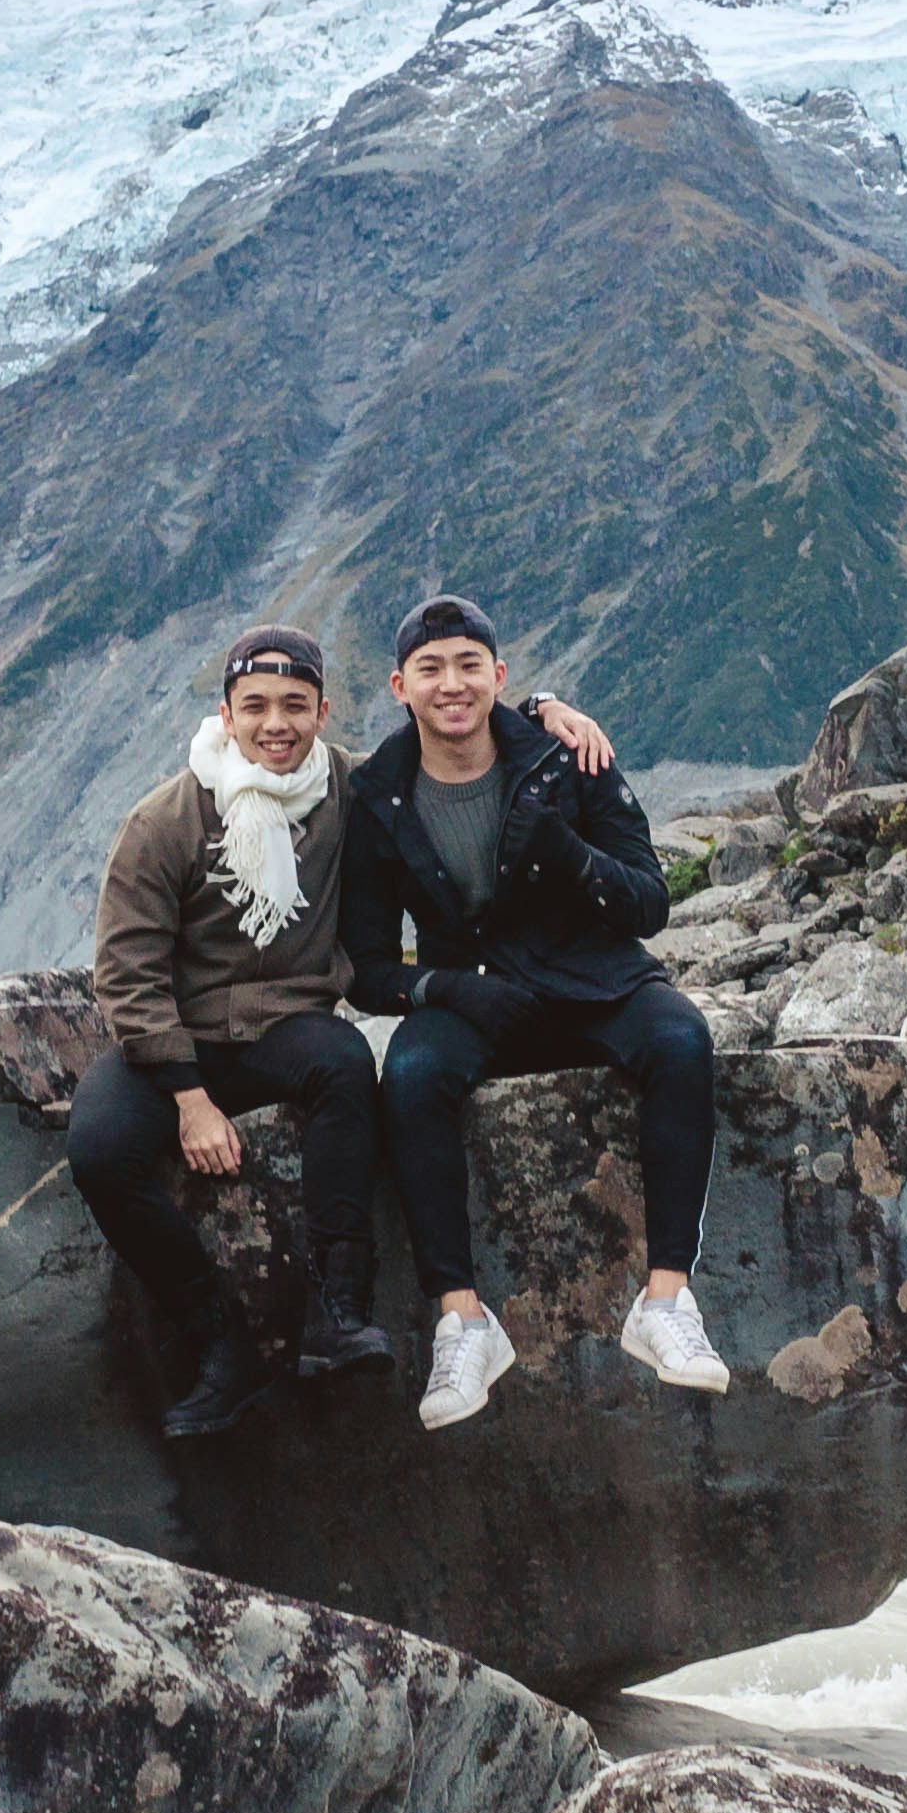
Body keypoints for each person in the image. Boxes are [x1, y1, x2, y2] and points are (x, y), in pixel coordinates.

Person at [59, 619, 609, 1437]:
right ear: (226, 712)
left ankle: (338, 1314)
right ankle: (221, 1340)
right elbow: (126, 973)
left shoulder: (350, 788)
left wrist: (543, 708)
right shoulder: (167, 820)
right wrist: (188, 1097)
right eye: (256, 707)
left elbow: (449, 726)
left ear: (322, 712)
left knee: (347, 1067)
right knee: (101, 1152)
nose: (275, 724)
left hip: (287, 1025)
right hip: (179, 1039)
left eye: (294, 704)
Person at [342, 593, 729, 1429]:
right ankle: (463, 1322)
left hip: (593, 976)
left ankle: (665, 1303)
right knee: (409, 1074)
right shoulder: (378, 794)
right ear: (399, 685)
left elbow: (649, 901)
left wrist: (567, 853)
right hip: (476, 995)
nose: (452, 685)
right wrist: (442, 988)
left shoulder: (566, 757)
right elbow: (365, 967)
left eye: (469, 665)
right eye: (431, 669)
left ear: (499, 675)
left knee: (681, 1039)